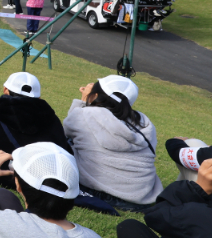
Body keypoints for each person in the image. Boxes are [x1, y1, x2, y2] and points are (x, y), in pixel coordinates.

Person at [63, 75, 162, 211]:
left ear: (95, 95)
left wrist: (84, 101)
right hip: (141, 197)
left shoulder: (85, 114)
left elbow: (66, 132)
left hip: (99, 192)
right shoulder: (144, 122)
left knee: (64, 143)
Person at [0, 71, 70, 174]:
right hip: (35, 177)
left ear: (5, 90)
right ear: (39, 97)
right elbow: (62, 148)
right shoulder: (50, 117)